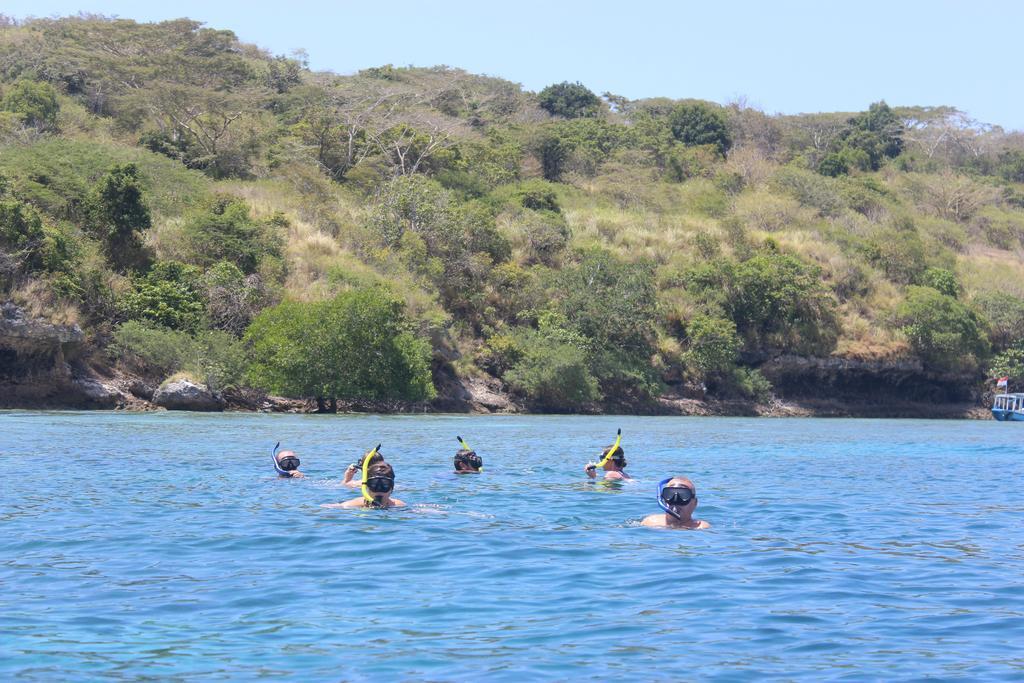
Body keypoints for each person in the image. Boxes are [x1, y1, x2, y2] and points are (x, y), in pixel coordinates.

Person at [641, 476, 710, 529]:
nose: (675, 500)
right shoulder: (650, 522)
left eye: (683, 495)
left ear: (694, 503)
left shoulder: (700, 528)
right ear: (663, 500)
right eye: (670, 495)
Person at [337, 462, 406, 509]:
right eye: (374, 484)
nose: (379, 490)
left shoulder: (399, 506)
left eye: (384, 485)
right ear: (366, 486)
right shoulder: (352, 506)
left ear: (392, 488)